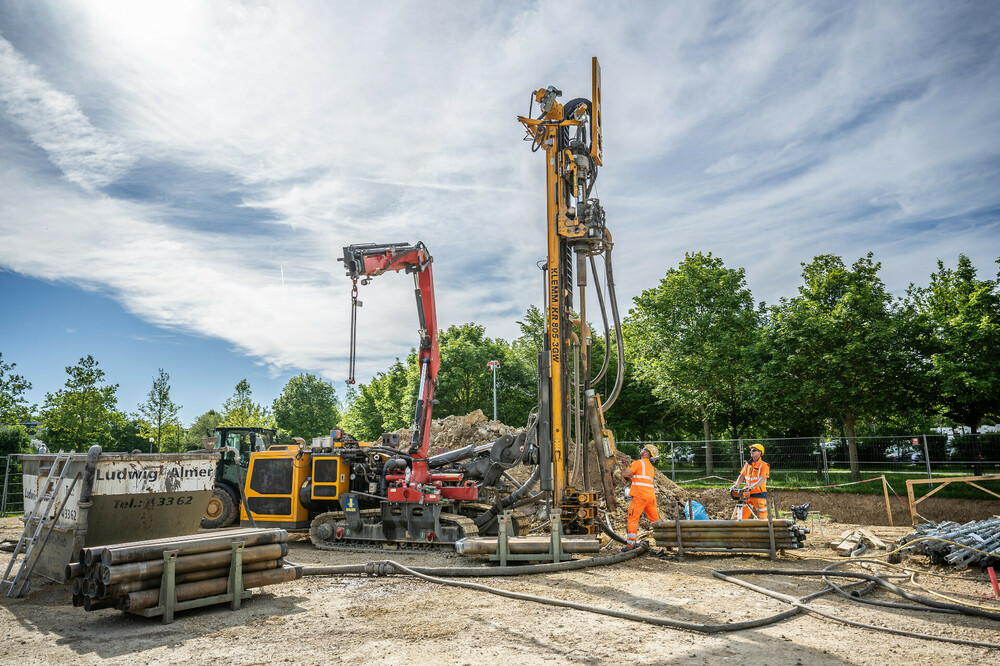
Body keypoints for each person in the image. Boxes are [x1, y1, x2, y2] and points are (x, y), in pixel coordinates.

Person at [622, 444, 660, 548]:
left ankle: (630, 545)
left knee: (632, 519)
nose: (641, 450)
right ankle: (663, 542)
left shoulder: (638, 463)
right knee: (656, 521)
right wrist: (630, 480)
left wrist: (624, 465)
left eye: (643, 449)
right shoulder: (650, 467)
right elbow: (641, 480)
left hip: (640, 496)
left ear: (646, 453)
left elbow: (625, 474)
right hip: (650, 497)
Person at [732, 443, 770, 519]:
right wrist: (736, 485)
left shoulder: (764, 465)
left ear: (760, 453)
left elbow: (763, 479)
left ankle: (762, 530)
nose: (751, 452)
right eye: (751, 450)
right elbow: (742, 475)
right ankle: (741, 528)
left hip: (759, 493)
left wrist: (752, 487)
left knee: (762, 515)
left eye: (754, 450)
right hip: (747, 493)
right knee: (742, 515)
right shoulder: (747, 464)